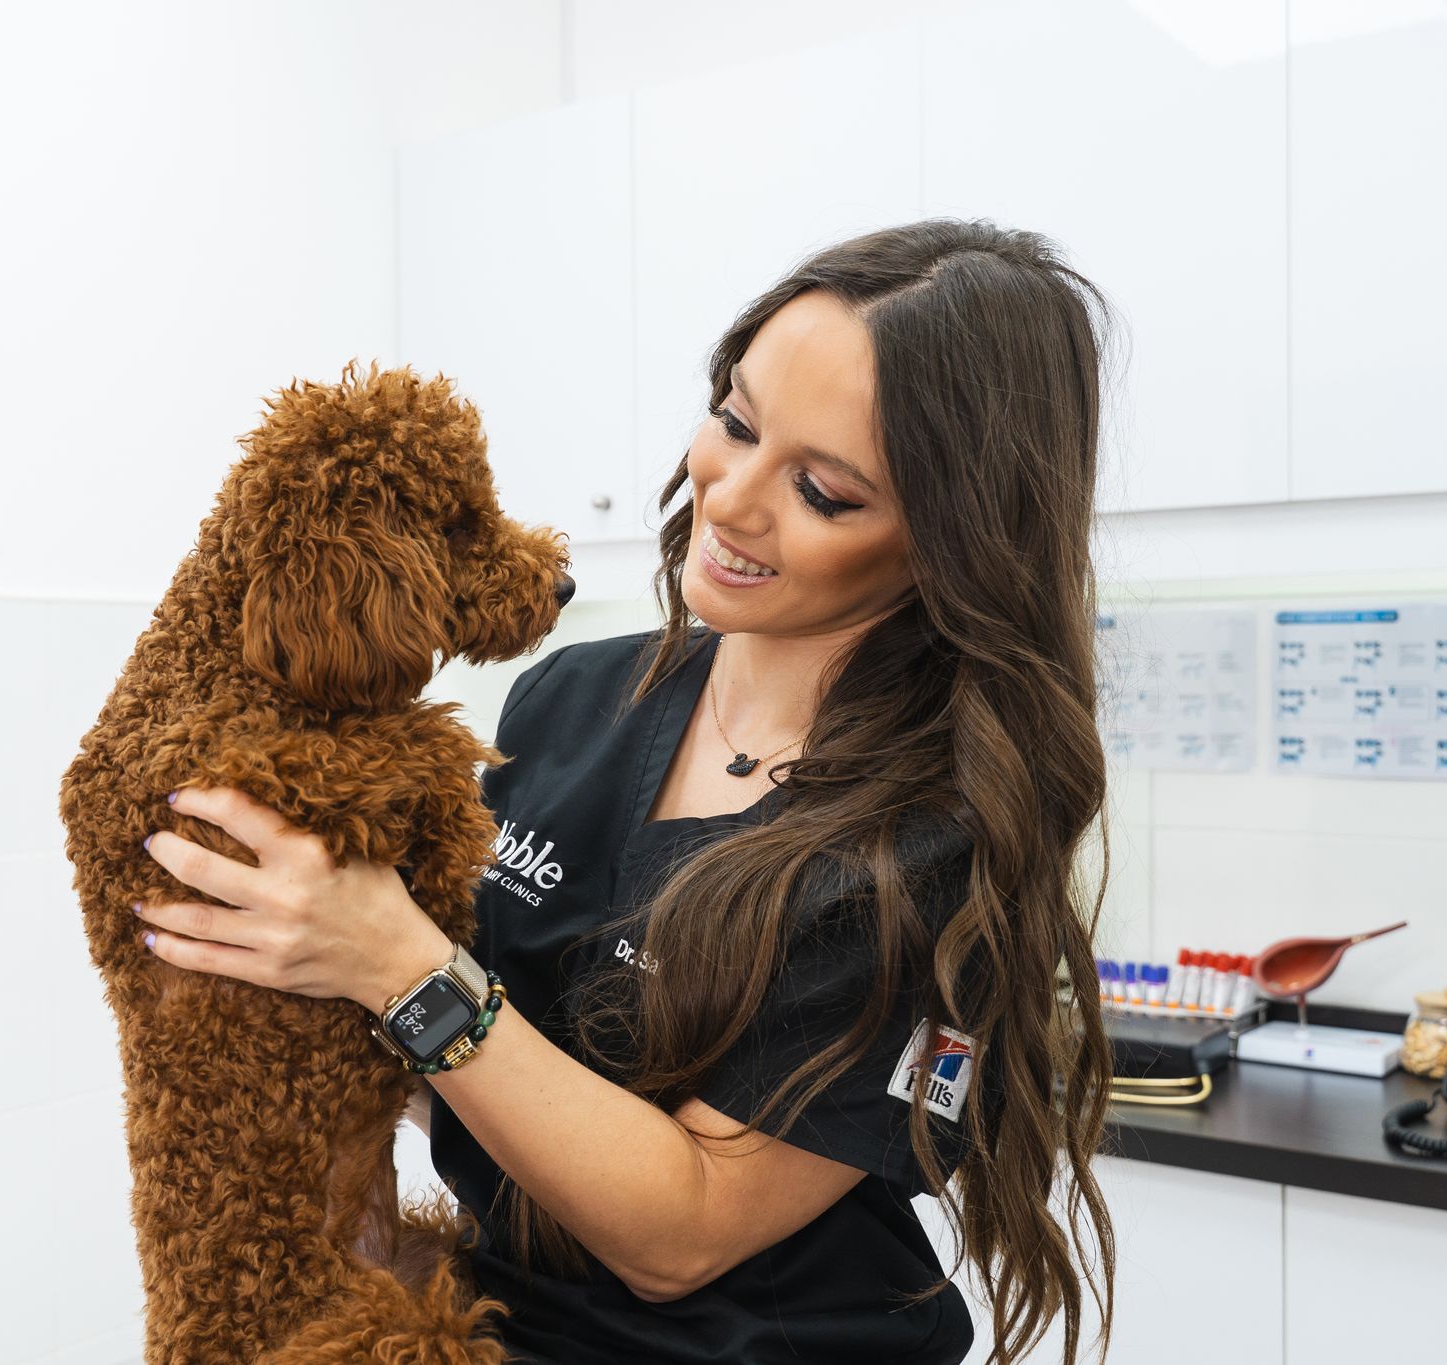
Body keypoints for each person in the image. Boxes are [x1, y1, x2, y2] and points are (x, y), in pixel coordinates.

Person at [139, 218, 1121, 1365]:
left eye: (822, 490)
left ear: (946, 542)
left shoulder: (926, 842)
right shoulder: (569, 700)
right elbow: (468, 1070)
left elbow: (682, 1234)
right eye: (736, 422)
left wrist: (393, 964)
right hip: (494, 1329)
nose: (730, 498)